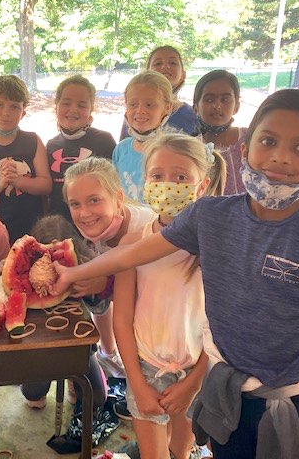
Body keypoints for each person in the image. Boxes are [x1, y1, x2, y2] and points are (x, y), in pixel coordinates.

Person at [53, 89, 299, 458]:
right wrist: (71, 274)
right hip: (227, 397)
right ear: (246, 149)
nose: (281, 156)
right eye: (269, 141)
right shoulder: (212, 218)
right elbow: (133, 254)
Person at [114, 133, 226, 459]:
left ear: (201, 186)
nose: (167, 185)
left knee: (182, 448)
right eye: (157, 176)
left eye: (180, 177)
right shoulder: (132, 245)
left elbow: (222, 323)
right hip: (146, 370)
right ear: (145, 181)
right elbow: (121, 319)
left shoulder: (216, 247)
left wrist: (193, 383)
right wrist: (136, 382)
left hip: (198, 369)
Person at [63, 157, 156, 412]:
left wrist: (105, 284)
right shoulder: (97, 231)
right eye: (75, 204)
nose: (84, 213)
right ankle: (110, 357)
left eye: (94, 200)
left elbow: (152, 299)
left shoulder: (145, 230)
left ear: (118, 197)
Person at [20, 214, 108, 411]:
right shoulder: (23, 266)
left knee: (96, 399)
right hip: (38, 345)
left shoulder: (86, 264)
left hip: (78, 346)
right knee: (33, 395)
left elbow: (101, 309)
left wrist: (94, 289)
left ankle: (72, 380)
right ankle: (41, 386)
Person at [0, 75, 52, 242]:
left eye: (14, 107)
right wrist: (0, 183)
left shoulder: (33, 141)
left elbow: (46, 185)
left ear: (23, 112)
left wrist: (17, 180)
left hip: (33, 229)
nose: (6, 113)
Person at [46, 75, 116, 218]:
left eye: (82, 105)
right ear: (56, 106)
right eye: (66, 103)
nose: (73, 109)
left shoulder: (104, 141)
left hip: (93, 220)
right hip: (59, 223)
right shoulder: (51, 145)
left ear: (91, 109)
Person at [112, 71, 176, 203]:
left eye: (149, 105)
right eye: (133, 104)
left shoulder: (174, 152)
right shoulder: (121, 150)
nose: (140, 111)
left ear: (167, 107)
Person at [119, 46, 198, 140]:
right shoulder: (136, 116)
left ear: (183, 74)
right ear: (146, 73)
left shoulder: (193, 116)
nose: (165, 67)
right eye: (158, 63)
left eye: (172, 63)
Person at [192, 70, 247, 195]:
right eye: (209, 100)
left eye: (225, 99)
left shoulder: (251, 140)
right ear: (196, 107)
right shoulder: (191, 149)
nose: (217, 106)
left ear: (236, 106)